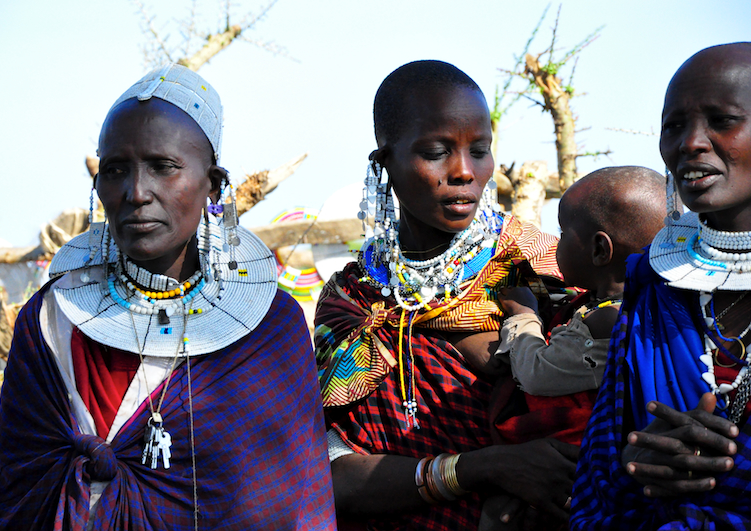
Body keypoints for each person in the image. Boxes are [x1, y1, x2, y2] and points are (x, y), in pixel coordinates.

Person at [0, 64, 336, 530]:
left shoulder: (271, 329)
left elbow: (293, 504)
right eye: (115, 171)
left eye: (163, 167)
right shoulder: (51, 319)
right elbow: (16, 494)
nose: (136, 192)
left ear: (212, 184)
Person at [314, 60, 580, 530]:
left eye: (480, 150)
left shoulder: (535, 270)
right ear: (385, 164)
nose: (463, 171)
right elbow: (333, 474)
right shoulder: (353, 301)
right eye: (437, 152)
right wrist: (484, 468)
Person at [571, 42, 751, 529]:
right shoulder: (653, 285)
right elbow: (595, 485)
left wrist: (733, 471)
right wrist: (644, 461)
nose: (690, 142)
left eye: (722, 119)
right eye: (674, 125)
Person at [496, 166, 666, 397]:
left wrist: (523, 314)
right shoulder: (636, 297)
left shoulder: (609, 320)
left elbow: (537, 374)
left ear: (599, 250)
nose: (556, 241)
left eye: (563, 233)